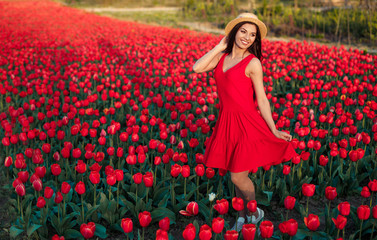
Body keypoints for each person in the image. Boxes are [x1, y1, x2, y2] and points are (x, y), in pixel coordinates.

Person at [193, 12, 298, 231]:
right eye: (243, 31)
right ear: (234, 32)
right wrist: (220, 46)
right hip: (226, 123)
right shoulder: (221, 58)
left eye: (252, 35)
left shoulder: (253, 63)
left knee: (237, 176)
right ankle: (242, 216)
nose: (247, 37)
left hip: (246, 124)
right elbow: (197, 67)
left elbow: (262, 99)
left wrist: (274, 129)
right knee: (235, 175)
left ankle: (254, 212)